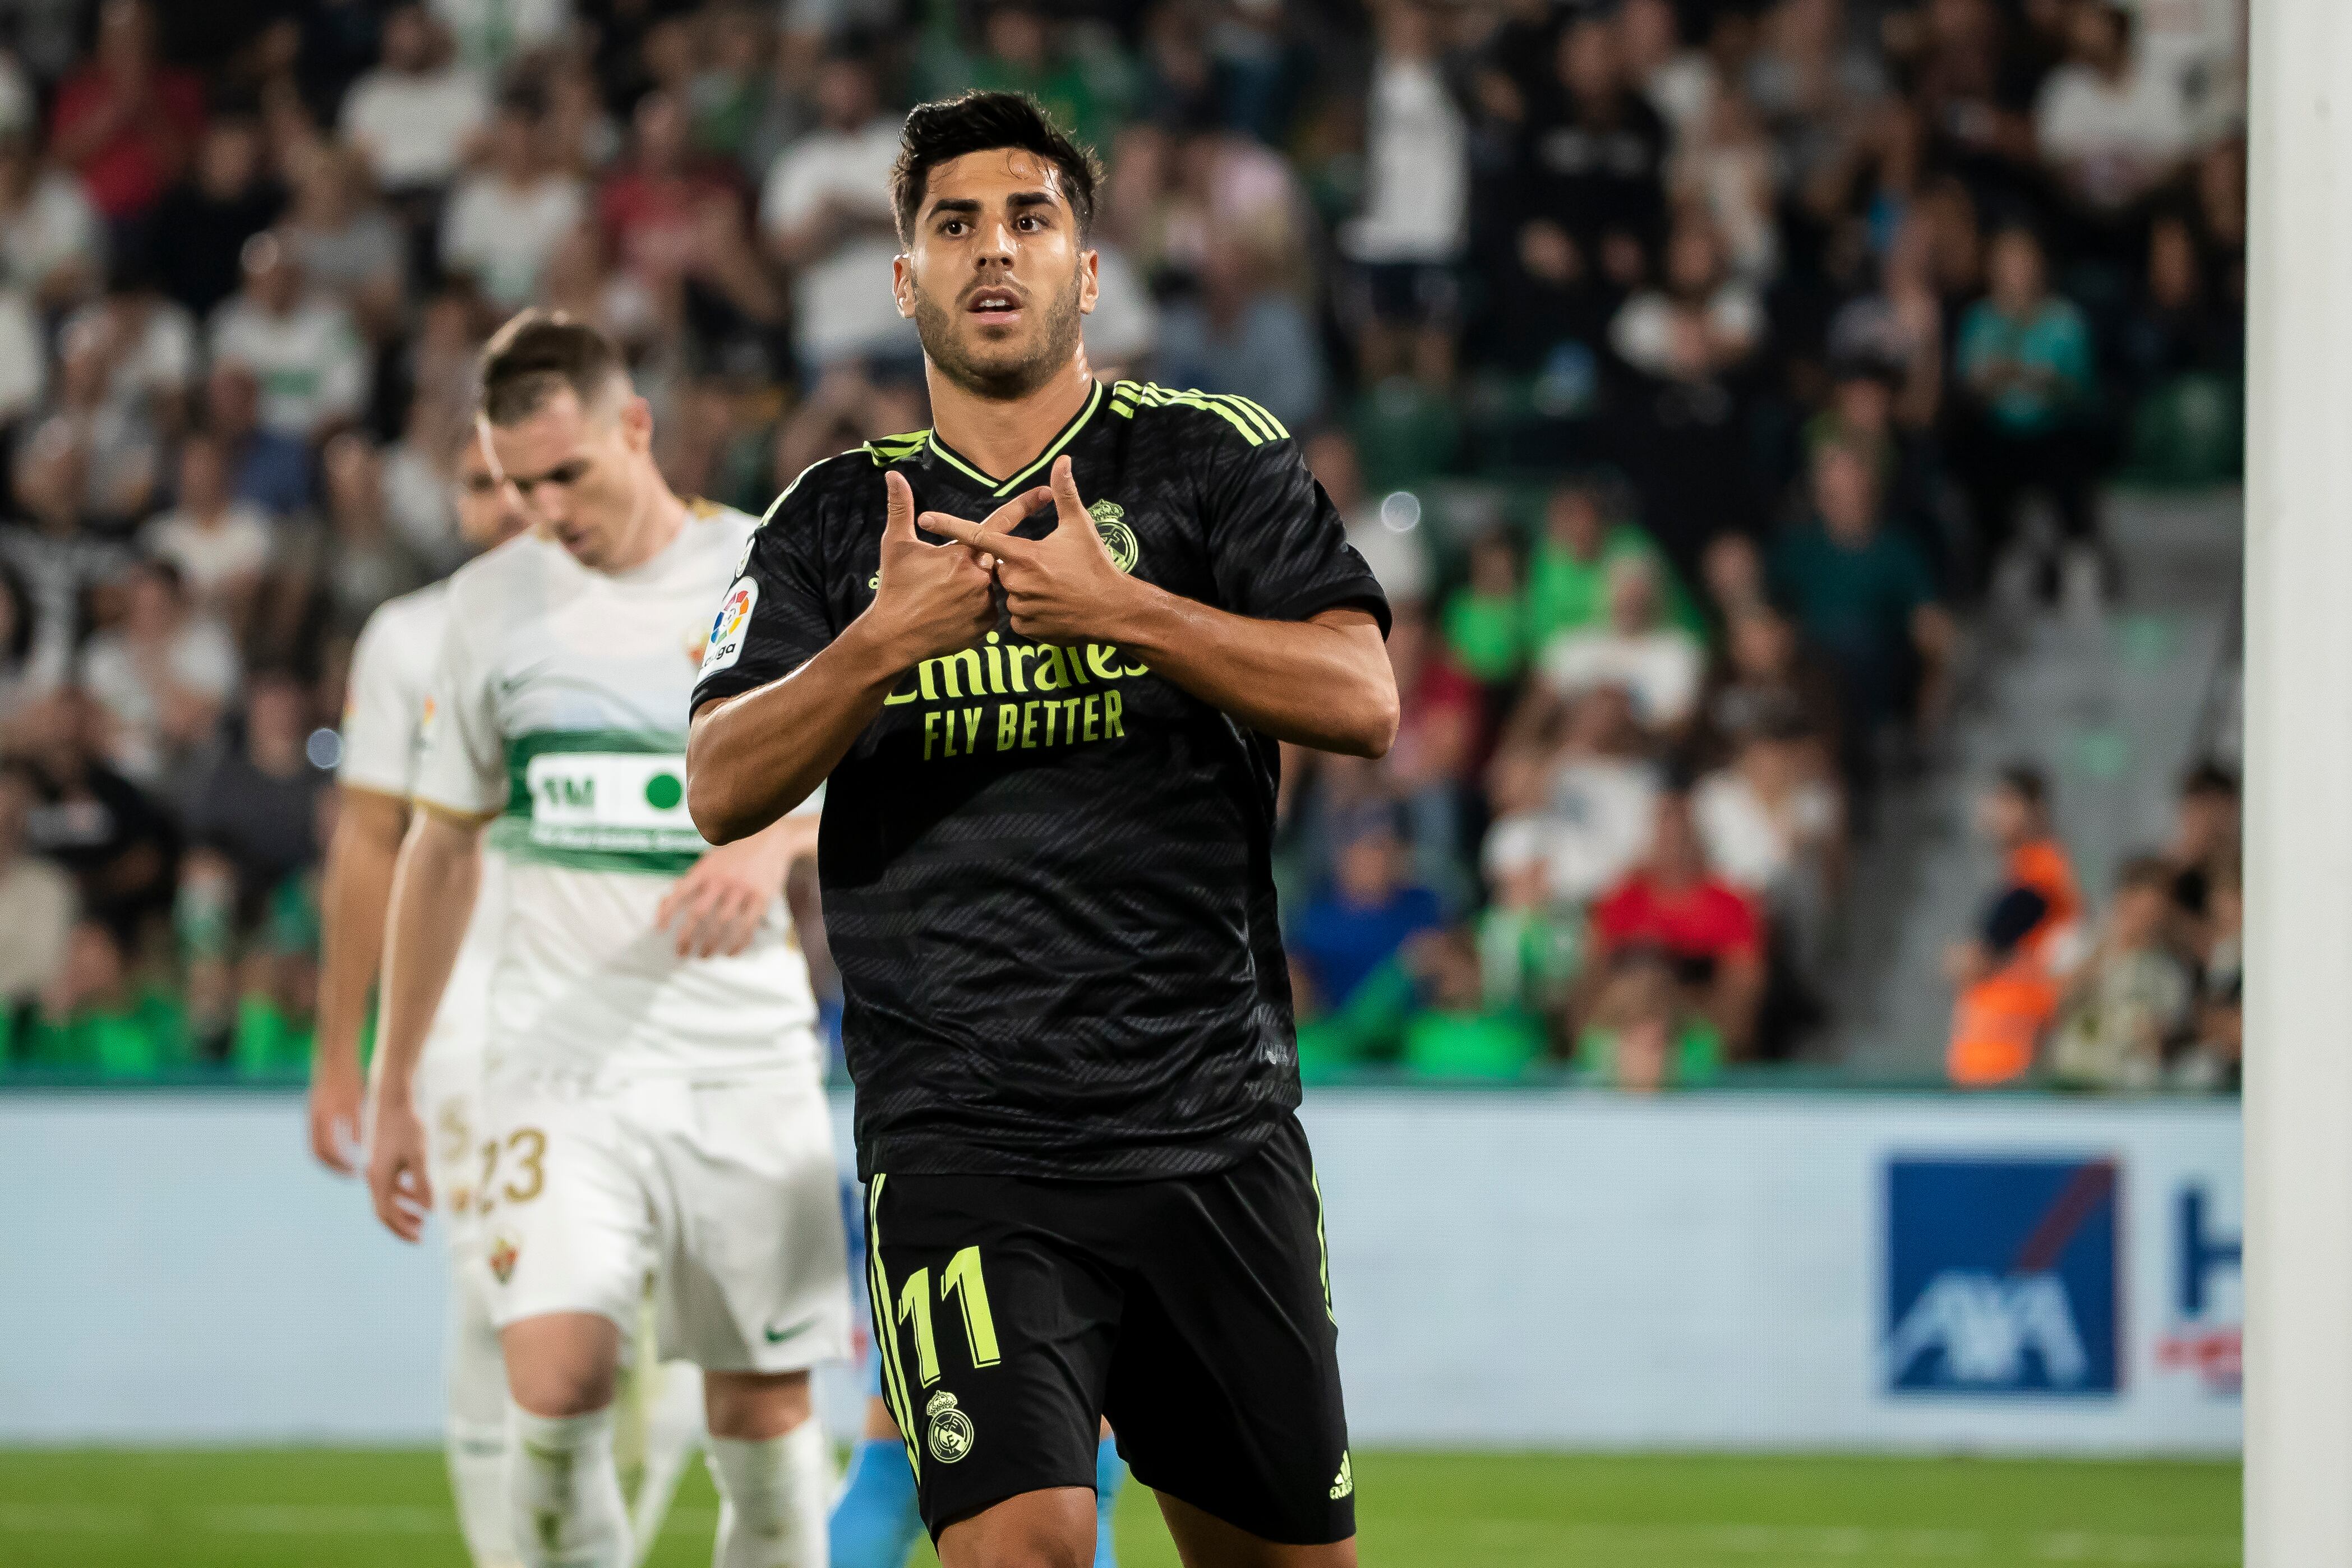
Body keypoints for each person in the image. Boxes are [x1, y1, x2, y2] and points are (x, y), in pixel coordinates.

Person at [685, 92, 1394, 1568]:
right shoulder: (832, 519)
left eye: (1031, 218)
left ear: (1088, 269)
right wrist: (879, 645)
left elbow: (1361, 692)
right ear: (905, 280)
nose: (992, 250)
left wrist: (1121, 609)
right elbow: (720, 781)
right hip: (964, 1138)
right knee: (1028, 1546)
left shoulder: (1212, 460)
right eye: (953, 224)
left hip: (1209, 1124)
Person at [367, 314, 850, 1568]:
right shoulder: (489, 605)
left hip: (741, 1055)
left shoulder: (767, 563)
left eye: (565, 475)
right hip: (559, 1063)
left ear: (635, 429)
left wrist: (773, 842)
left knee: (767, 1427)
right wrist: (393, 1087)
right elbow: (440, 851)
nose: (541, 509)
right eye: (516, 483)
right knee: (559, 1377)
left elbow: (875, 773)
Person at [310, 417, 613, 1568]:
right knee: (495, 1299)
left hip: (617, 1018)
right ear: (455, 500)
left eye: (526, 482)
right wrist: (344, 1052)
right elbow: (368, 846)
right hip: (465, 1020)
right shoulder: (407, 639)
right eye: (481, 485)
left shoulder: (633, 622)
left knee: (629, 1328)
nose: (505, 504)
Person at [1944, 764, 2082, 1087]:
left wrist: (1961, 960)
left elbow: (1977, 958)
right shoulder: (2026, 872)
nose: (1993, 812)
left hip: (2010, 1053)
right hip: (1996, 1054)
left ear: (2034, 810)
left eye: (2005, 802)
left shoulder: (2040, 874)